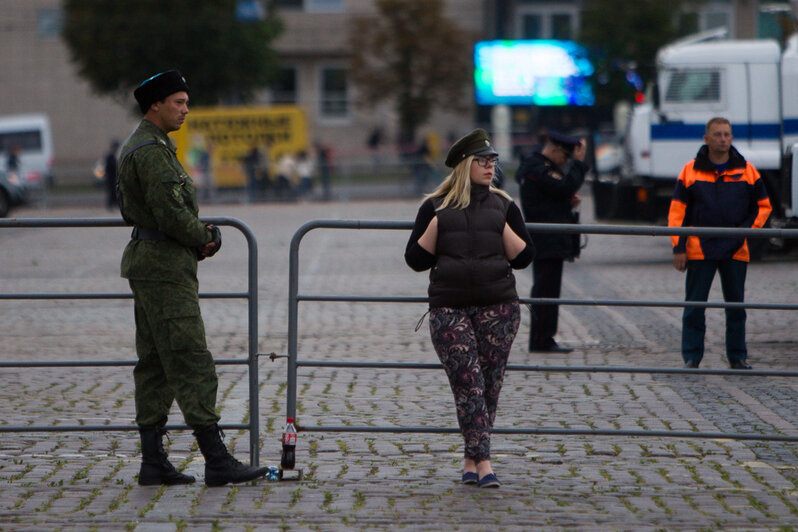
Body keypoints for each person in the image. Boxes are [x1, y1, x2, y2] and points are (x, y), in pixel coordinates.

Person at [117, 70, 268, 487]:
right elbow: (169, 211)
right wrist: (204, 237)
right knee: (189, 358)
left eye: (186, 102)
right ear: (156, 105)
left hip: (155, 261)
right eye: (179, 102)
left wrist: (194, 236)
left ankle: (153, 460)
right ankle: (216, 459)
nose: (186, 109)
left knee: (155, 364)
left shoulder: (152, 145)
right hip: (164, 266)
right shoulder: (150, 150)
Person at [405, 128, 535, 488]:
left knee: (488, 387)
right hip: (450, 309)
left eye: (493, 160)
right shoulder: (434, 206)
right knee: (469, 384)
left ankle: (469, 459)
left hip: (500, 308)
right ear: (464, 165)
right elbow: (414, 260)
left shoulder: (505, 205)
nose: (490, 166)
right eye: (482, 161)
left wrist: (500, 221)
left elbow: (524, 257)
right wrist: (437, 223)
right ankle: (486, 463)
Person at [668, 117, 772, 370]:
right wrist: (678, 247)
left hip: (736, 247)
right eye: (717, 134)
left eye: (726, 134)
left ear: (731, 137)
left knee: (736, 307)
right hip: (699, 247)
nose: (723, 139)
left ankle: (737, 356)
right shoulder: (689, 171)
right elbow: (677, 212)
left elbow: (763, 207)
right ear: (706, 139)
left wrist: (746, 232)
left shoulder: (747, 170)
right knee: (694, 306)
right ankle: (691, 357)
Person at [516, 131, 588, 353]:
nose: (566, 162)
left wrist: (568, 203)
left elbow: (557, 195)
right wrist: (579, 164)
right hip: (545, 240)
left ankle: (545, 337)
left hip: (551, 239)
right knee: (545, 290)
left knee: (549, 290)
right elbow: (564, 187)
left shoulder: (543, 167)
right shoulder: (538, 167)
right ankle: (541, 339)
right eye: (566, 157)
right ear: (555, 149)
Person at [104, 140, 119, 210]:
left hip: (114, 178)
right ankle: (111, 205)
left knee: (114, 192)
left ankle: (114, 204)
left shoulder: (114, 156)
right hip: (111, 178)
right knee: (111, 192)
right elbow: (108, 168)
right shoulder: (110, 157)